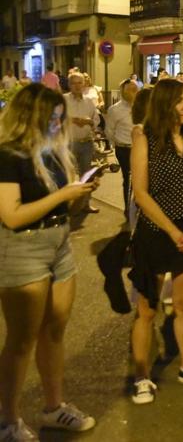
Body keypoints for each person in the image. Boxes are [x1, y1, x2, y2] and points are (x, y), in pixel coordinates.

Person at [0, 84, 98, 440]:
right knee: (22, 339)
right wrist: (64, 193)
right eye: (51, 118)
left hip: (59, 243)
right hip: (23, 249)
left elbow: (59, 206)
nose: (58, 124)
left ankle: (53, 407)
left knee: (55, 330)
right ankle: (8, 421)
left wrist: (79, 193)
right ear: (31, 117)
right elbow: (11, 215)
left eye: (60, 117)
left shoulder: (55, 152)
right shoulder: (9, 155)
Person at [128, 78, 183, 404]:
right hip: (155, 233)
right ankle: (142, 376)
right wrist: (173, 231)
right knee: (147, 310)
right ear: (164, 104)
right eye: (179, 100)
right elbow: (141, 194)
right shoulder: (145, 139)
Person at [64, 72, 100, 213]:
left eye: (80, 83)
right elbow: (55, 119)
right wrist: (72, 120)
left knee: (87, 175)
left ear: (84, 84)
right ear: (69, 85)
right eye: (74, 83)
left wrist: (88, 121)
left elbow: (96, 120)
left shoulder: (89, 101)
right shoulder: (63, 100)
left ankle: (85, 204)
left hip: (86, 143)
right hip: (69, 143)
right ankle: (69, 205)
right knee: (69, 175)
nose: (77, 86)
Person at [105, 78, 138, 215]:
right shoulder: (115, 110)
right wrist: (117, 144)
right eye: (130, 89)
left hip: (140, 148)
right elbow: (109, 131)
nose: (134, 92)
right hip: (124, 149)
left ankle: (139, 207)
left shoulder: (142, 107)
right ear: (123, 91)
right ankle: (128, 209)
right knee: (129, 178)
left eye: (135, 89)